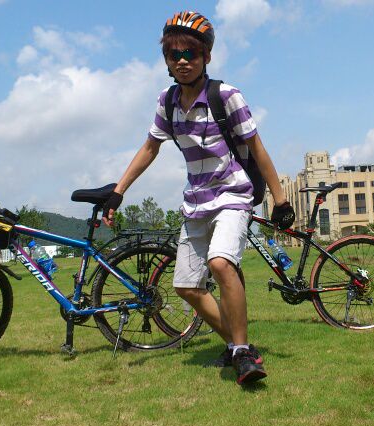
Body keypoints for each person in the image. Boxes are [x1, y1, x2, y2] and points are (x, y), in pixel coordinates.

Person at [102, 11, 295, 385]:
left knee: (221, 264)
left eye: (190, 53)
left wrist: (280, 199)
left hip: (233, 195)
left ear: (206, 56)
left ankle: (242, 352)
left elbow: (257, 148)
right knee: (186, 286)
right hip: (195, 203)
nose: (182, 61)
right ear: (166, 61)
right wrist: (117, 192)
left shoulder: (227, 96)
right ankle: (238, 346)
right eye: (174, 55)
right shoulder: (168, 102)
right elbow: (149, 148)